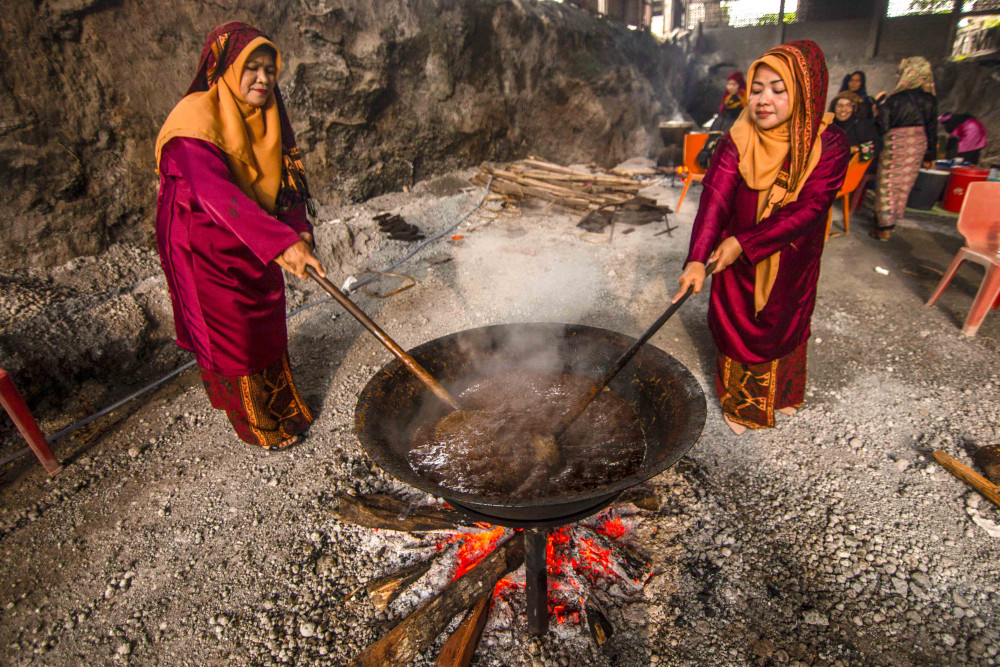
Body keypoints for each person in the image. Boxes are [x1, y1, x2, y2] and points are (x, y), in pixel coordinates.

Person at [154, 22, 325, 450]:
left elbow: (286, 181)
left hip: (254, 234)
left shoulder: (269, 116)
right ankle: (255, 423)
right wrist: (283, 244)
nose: (263, 79)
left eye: (270, 69)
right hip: (203, 240)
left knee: (266, 315)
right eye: (252, 68)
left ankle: (283, 406)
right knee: (233, 328)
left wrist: (298, 230)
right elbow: (215, 193)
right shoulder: (193, 121)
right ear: (226, 70)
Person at [674, 40, 849, 434]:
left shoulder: (830, 144)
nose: (763, 99)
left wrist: (745, 243)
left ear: (805, 92)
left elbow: (811, 207)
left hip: (792, 257)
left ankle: (783, 394)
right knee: (740, 325)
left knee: (786, 318)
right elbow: (716, 199)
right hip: (737, 264)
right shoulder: (738, 137)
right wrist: (698, 258)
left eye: (777, 88)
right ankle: (742, 405)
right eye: (756, 89)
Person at [871, 57, 937, 241]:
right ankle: (890, 225)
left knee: (886, 186)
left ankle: (883, 228)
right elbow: (932, 129)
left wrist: (877, 110)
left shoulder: (894, 100)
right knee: (902, 187)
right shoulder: (929, 99)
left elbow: (881, 127)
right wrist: (931, 155)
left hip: (896, 145)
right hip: (917, 147)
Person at [830, 91, 880, 162]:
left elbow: (875, 148)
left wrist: (855, 149)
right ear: (834, 108)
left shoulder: (862, 125)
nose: (843, 109)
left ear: (854, 108)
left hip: (856, 169)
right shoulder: (828, 126)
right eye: (839, 106)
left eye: (848, 106)